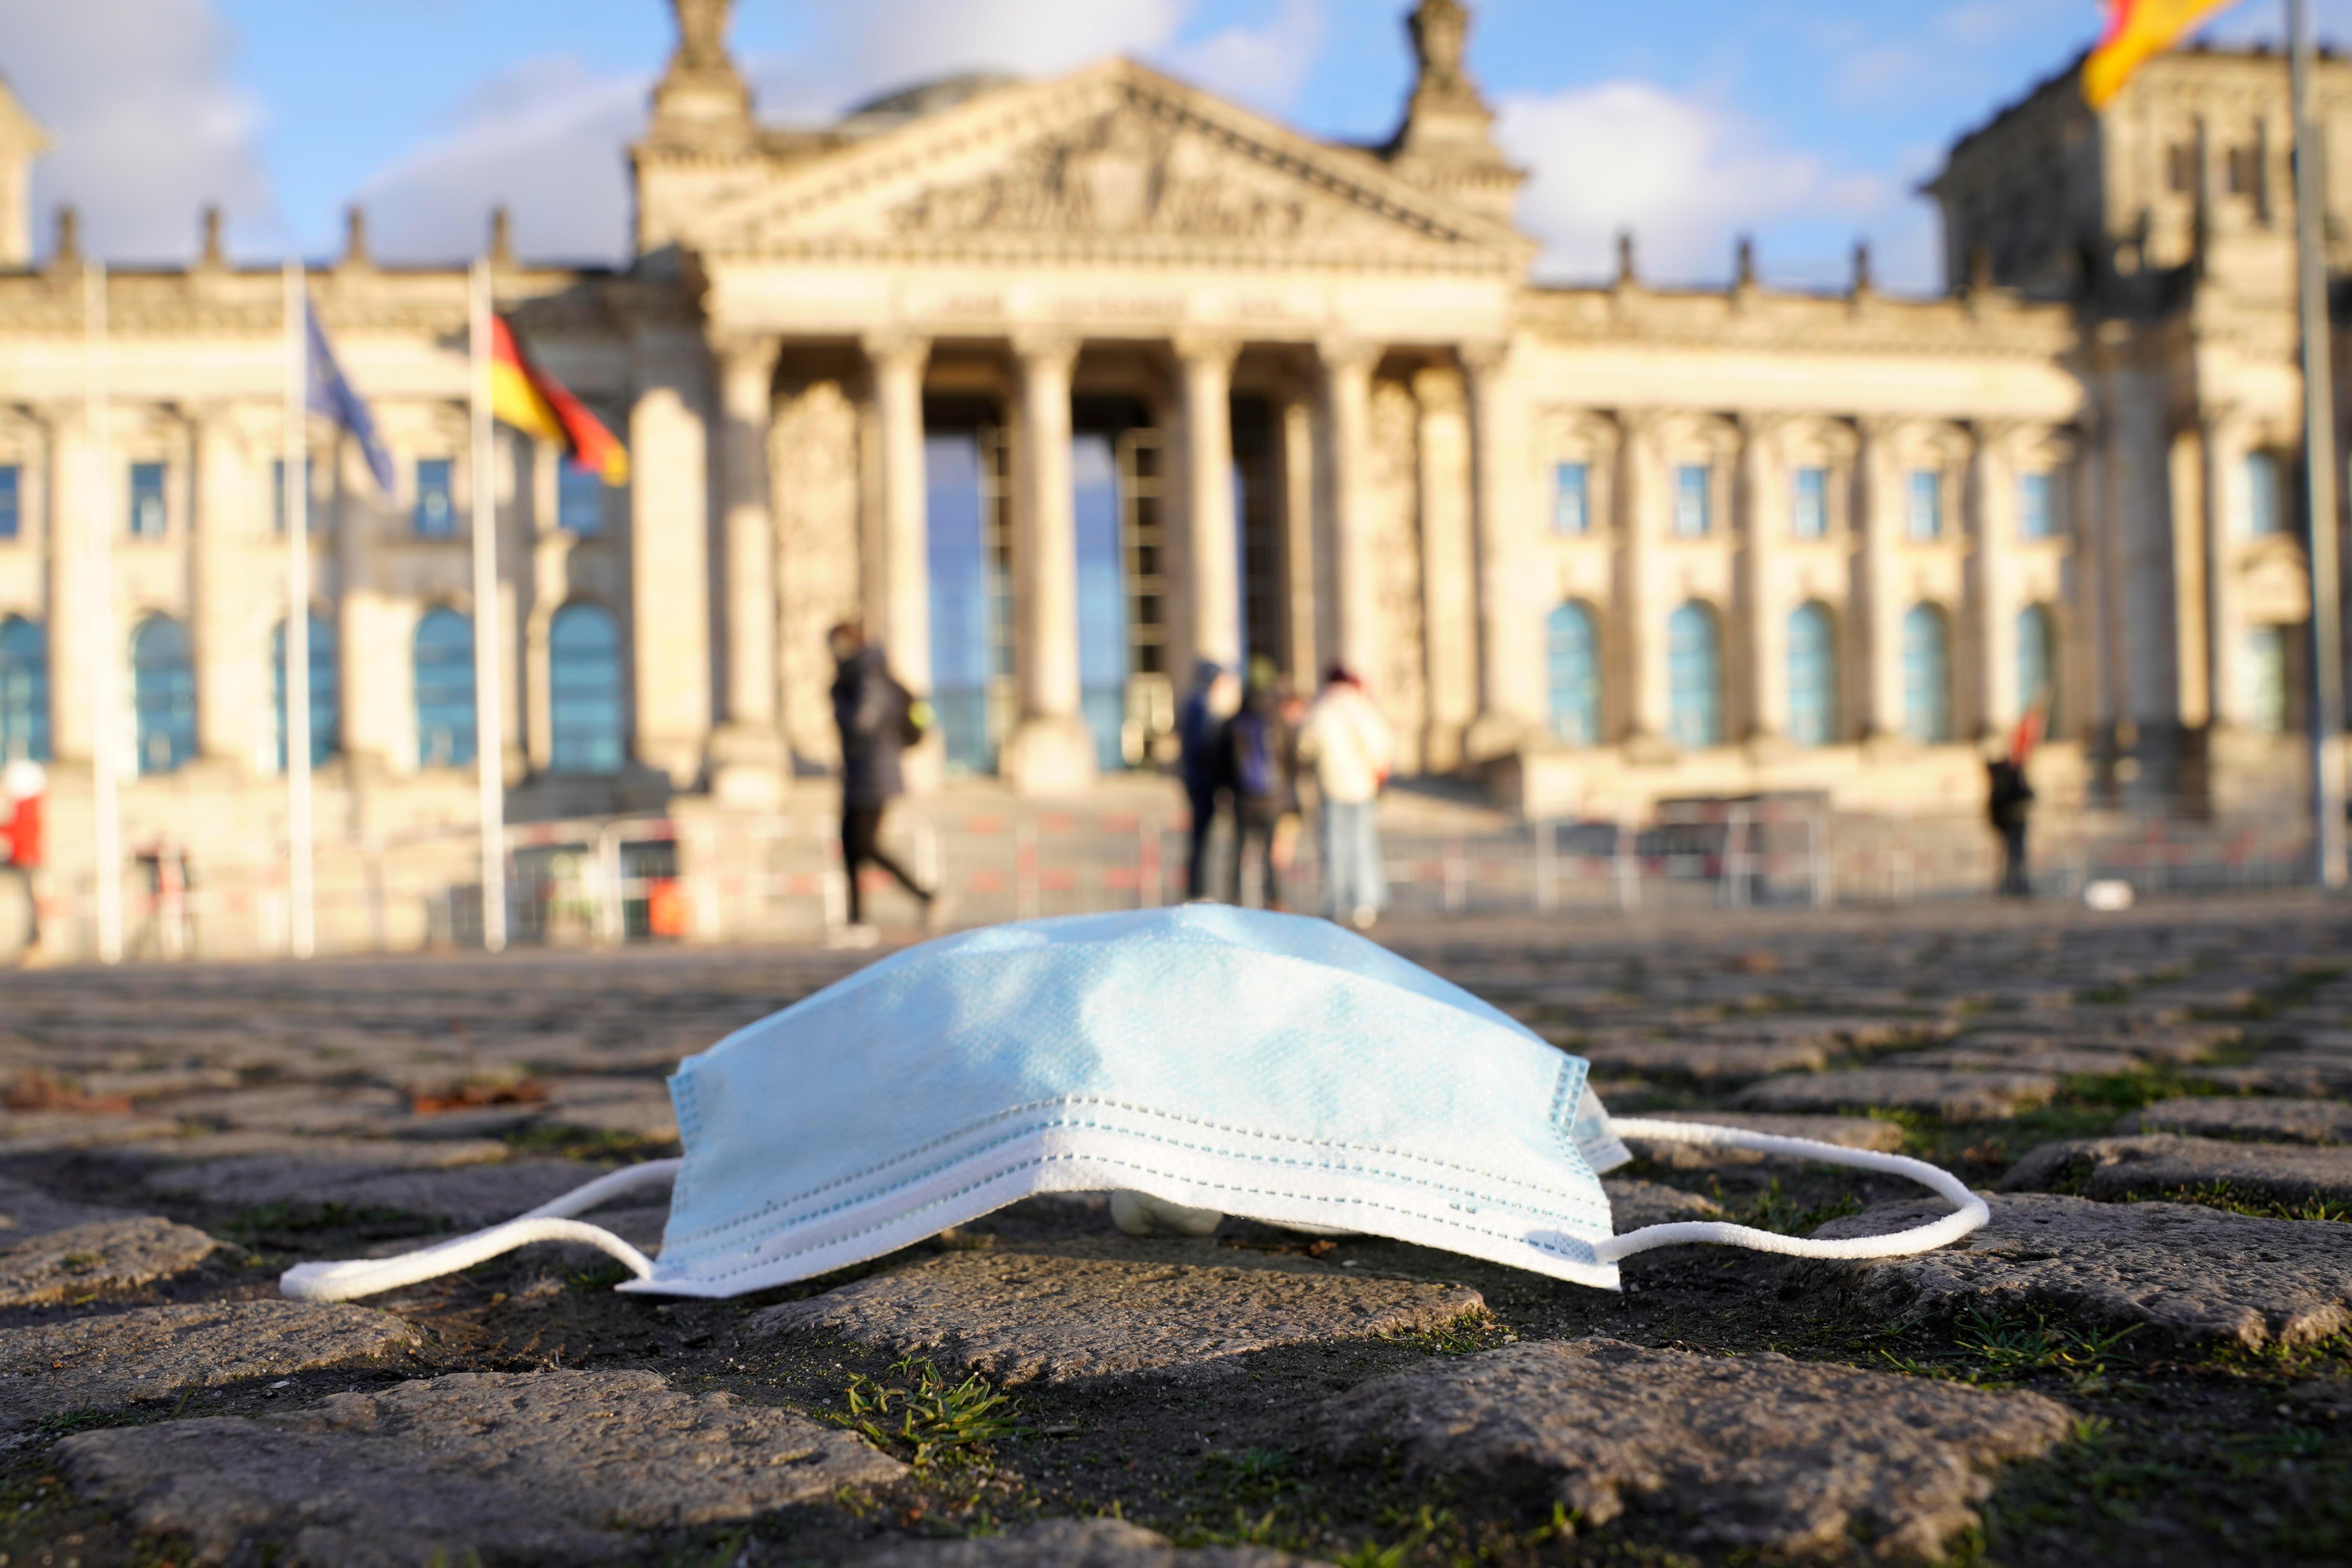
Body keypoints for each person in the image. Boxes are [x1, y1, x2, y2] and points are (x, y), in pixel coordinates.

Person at [829, 621, 942, 946]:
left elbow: (862, 722)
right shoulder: (865, 672)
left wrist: (839, 702)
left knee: (864, 844)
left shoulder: (866, 675)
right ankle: (857, 921)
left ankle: (925, 895)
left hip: (874, 775)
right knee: (852, 846)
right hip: (862, 773)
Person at [1297, 666, 1394, 929]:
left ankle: (1336, 903)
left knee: (1334, 846)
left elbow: (1306, 746)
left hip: (1333, 785)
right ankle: (1365, 902)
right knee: (1363, 844)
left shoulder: (1322, 710)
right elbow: (1381, 746)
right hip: (1362, 786)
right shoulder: (1364, 708)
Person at [1217, 658, 1293, 910]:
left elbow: (1221, 763)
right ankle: (1275, 901)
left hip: (1243, 799)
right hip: (1273, 799)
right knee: (1270, 855)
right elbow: (1291, 760)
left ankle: (1235, 900)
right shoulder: (1278, 721)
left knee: (1239, 852)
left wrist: (1226, 792)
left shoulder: (1235, 722)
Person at [1176, 659, 1236, 901]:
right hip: (1201, 780)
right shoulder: (1199, 704)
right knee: (1201, 838)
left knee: (1201, 837)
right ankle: (1198, 890)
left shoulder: (1196, 701)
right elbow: (1203, 744)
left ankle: (1198, 888)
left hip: (1197, 778)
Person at [1987, 753, 2035, 899]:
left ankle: (2011, 886)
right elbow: (2028, 794)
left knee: (2011, 857)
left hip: (2008, 823)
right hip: (2012, 823)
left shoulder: (2001, 777)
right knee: (2014, 857)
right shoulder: (2011, 777)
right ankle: (2014, 886)